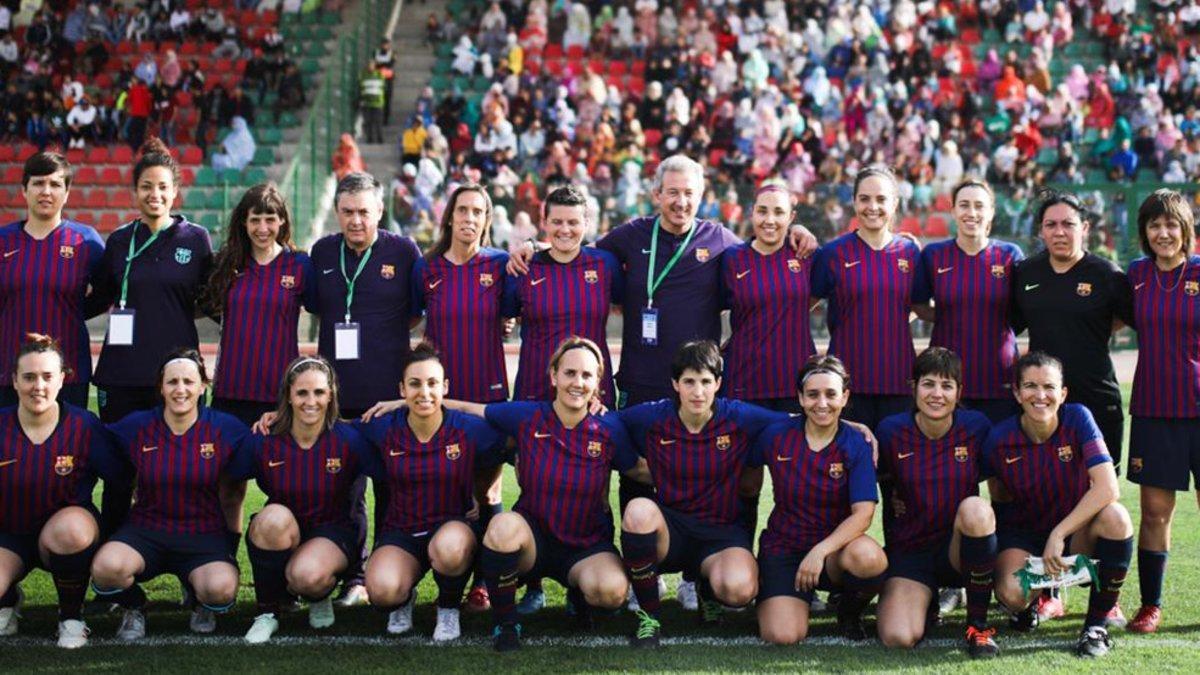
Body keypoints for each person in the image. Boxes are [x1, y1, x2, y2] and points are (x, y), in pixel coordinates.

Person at [444, 337, 649, 651]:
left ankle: (580, 596)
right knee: (501, 528)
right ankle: (505, 623)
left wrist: (700, 474)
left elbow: (638, 469)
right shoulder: (527, 416)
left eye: (586, 375)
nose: (577, 383)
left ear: (597, 382)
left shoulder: (609, 427)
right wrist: (403, 403)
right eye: (569, 373)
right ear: (554, 376)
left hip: (586, 546)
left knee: (612, 592)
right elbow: (467, 408)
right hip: (533, 541)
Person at [616, 341, 791, 644]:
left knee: (740, 590)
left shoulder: (738, 417)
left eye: (706, 382)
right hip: (671, 531)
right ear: (675, 384)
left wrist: (852, 426)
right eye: (689, 382)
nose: (698, 392)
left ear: (718, 384)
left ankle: (707, 589)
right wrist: (629, 463)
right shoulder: (652, 417)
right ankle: (649, 617)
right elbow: (608, 426)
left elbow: (795, 423)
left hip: (721, 534)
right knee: (638, 511)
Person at [308, 172, 421, 605]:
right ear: (338, 213)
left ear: (379, 212)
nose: (356, 221)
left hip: (389, 399)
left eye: (365, 212)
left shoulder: (402, 251)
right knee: (342, 492)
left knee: (394, 490)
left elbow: (414, 313)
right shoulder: (321, 252)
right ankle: (354, 576)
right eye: (348, 212)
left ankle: (396, 578)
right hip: (335, 399)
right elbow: (320, 307)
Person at [90, 349, 250, 640]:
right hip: (146, 531)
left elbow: (258, 455)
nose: (180, 390)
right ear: (161, 388)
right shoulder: (138, 426)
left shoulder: (227, 429)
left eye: (189, 382)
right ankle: (135, 606)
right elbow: (92, 435)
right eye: (172, 382)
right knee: (105, 570)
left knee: (220, 591)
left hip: (203, 535)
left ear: (203, 386)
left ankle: (201, 601)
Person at [986, 352, 1133, 658]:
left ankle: (1095, 627)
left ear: (1063, 393)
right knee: (1012, 593)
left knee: (1117, 518)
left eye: (1049, 387)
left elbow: (1108, 487)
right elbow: (993, 491)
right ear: (1016, 392)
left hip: (1073, 534)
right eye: (1030, 386)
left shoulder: (1078, 418)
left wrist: (1059, 534)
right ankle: (1026, 608)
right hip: (1024, 536)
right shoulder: (999, 438)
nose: (1040, 395)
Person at [356, 344, 506, 641]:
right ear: (401, 389)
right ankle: (404, 598)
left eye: (432, 383)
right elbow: (336, 432)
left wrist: (480, 491)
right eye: (415, 384)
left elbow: (512, 439)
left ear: (445, 387)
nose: (424, 392)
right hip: (402, 532)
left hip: (452, 528)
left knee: (451, 549)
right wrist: (278, 417)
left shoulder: (467, 429)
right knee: (383, 592)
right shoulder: (383, 428)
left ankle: (448, 607)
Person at [410, 182, 512, 612]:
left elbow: (516, 311)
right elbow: (412, 320)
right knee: (448, 491)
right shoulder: (427, 269)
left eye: (479, 212)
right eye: (463, 210)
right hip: (440, 400)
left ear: (486, 221)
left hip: (487, 397)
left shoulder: (502, 265)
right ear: (449, 216)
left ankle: (486, 584)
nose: (470, 218)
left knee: (487, 492)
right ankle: (442, 579)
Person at [231, 356, 375, 644]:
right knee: (270, 519)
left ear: (331, 394)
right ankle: (267, 613)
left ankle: (317, 594)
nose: (311, 401)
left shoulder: (350, 438)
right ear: (288, 395)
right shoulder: (264, 438)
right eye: (302, 393)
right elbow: (227, 479)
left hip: (332, 533)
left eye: (319, 392)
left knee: (307, 577)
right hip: (286, 529)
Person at [746, 354, 887, 644]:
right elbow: (744, 470)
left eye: (831, 394)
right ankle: (779, 591)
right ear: (799, 397)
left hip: (835, 551)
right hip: (785, 547)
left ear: (845, 397)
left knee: (870, 559)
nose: (822, 403)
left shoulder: (856, 443)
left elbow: (863, 515)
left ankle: (849, 612)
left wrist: (820, 551)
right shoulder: (775, 435)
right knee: (782, 635)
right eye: (812, 395)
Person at [0, 334, 125, 648]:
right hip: (8, 535)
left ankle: (71, 617)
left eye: (46, 377)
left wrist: (113, 537)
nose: (38, 386)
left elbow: (121, 478)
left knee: (70, 529)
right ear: (14, 381)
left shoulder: (84, 426)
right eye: (28, 377)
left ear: (62, 380)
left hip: (66, 534)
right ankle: (7, 600)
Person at [875, 348, 999, 657]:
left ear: (959, 393)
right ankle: (925, 600)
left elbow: (1002, 479)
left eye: (947, 385)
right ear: (913, 387)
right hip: (911, 550)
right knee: (897, 636)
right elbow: (877, 483)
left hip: (959, 551)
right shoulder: (891, 430)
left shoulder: (976, 427)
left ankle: (978, 626)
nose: (937, 394)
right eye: (928, 383)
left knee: (976, 510)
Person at [89, 137, 214, 424]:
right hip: (123, 372)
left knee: (179, 461)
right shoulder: (120, 240)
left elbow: (210, 301)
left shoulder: (196, 239)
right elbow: (101, 297)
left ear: (175, 192)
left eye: (162, 187)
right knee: (120, 463)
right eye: (146, 186)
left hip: (178, 375)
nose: (154, 194)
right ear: (135, 192)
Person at [1010, 189, 1133, 474]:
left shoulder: (1107, 275)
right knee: (1045, 489)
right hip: (1042, 402)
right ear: (1041, 231)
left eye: (1068, 224)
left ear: (1085, 228)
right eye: (1051, 225)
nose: (1060, 232)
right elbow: (1008, 325)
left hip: (1097, 399)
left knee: (1099, 493)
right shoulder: (1026, 273)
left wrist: (1095, 326)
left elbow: (1136, 319)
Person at [1124, 190, 1200, 633]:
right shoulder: (1134, 275)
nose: (1164, 233)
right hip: (1154, 411)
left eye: (1172, 224)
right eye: (1155, 225)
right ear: (1145, 232)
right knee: (1154, 513)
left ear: (1185, 229)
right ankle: (1151, 604)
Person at [811, 165, 921, 429]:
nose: (873, 206)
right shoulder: (833, 253)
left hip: (898, 378)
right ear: (854, 202)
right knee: (848, 464)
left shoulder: (911, 252)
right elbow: (801, 305)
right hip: (846, 383)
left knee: (894, 467)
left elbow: (919, 306)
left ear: (894, 203)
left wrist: (890, 317)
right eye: (865, 199)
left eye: (881, 199)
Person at [204, 184, 316, 427]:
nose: (262, 228)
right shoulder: (227, 262)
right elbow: (207, 304)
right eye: (255, 220)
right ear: (243, 222)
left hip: (279, 393)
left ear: (283, 221)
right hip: (230, 391)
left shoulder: (299, 264)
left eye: (270, 219)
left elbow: (320, 307)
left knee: (275, 464)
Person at [913, 181, 1024, 422]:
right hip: (945, 380)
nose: (971, 213)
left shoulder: (1010, 255)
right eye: (964, 205)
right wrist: (951, 314)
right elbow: (919, 306)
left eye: (979, 206)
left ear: (991, 212)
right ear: (953, 210)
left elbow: (1024, 309)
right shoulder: (933, 255)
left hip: (999, 376)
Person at [0, 152, 103, 409]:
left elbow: (107, 292)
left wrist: (75, 311)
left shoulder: (86, 241)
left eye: (55, 184)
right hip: (8, 370)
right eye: (38, 183)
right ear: (24, 190)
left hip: (68, 371)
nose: (46, 191)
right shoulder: (3, 240)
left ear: (67, 193)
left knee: (67, 447)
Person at [508, 185, 622, 408]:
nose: (565, 229)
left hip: (593, 395)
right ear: (545, 223)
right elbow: (505, 318)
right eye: (557, 222)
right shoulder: (523, 267)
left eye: (573, 222)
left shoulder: (606, 264)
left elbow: (624, 305)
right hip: (535, 393)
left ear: (586, 224)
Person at [719, 182, 815, 412]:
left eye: (779, 212)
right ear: (752, 212)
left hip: (795, 383)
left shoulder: (807, 254)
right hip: (744, 380)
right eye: (762, 211)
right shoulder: (731, 258)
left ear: (792, 217)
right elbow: (713, 306)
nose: (769, 220)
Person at [359, 61, 385, 144]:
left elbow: (383, 86)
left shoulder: (379, 75)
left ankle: (379, 138)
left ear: (374, 66)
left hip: (378, 102)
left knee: (378, 122)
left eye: (372, 66)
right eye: (369, 65)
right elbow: (362, 88)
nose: (370, 67)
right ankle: (370, 138)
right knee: (368, 122)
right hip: (367, 102)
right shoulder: (364, 75)